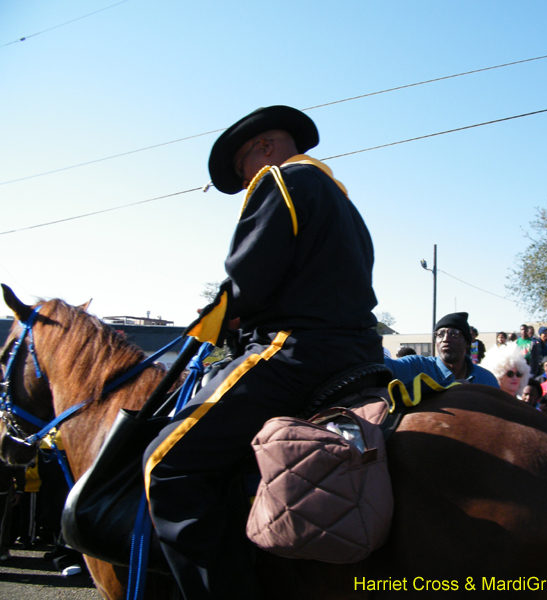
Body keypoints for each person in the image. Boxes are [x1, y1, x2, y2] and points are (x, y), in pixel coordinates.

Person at [144, 105, 385, 600]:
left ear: (266, 147)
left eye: (242, 169)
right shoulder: (341, 198)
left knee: (164, 463)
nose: (246, 179)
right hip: (357, 352)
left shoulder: (280, 178)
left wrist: (216, 318)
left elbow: (249, 277)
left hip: (295, 350)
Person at [384, 312, 499, 388]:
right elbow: (382, 365)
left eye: (454, 334)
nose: (446, 339)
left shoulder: (486, 380)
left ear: (467, 343)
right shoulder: (416, 367)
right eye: (440, 334)